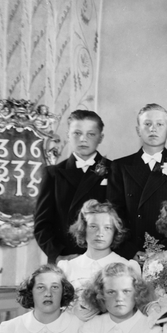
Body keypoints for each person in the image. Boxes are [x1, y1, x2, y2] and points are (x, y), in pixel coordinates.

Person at [107, 103, 167, 259]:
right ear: (138, 130)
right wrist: (130, 251)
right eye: (147, 124)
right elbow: (114, 215)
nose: (153, 129)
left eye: (160, 124)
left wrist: (165, 251)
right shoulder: (120, 166)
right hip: (132, 252)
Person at [33, 109, 110, 263]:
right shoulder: (53, 174)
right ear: (68, 135)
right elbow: (42, 224)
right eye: (77, 133)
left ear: (100, 137)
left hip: (105, 258)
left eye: (91, 134)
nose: (83, 139)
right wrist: (58, 256)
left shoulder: (115, 171)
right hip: (67, 258)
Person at [58, 200, 135, 311]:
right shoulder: (67, 267)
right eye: (93, 226)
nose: (100, 233)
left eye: (107, 228)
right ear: (83, 229)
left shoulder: (127, 266)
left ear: (115, 231)